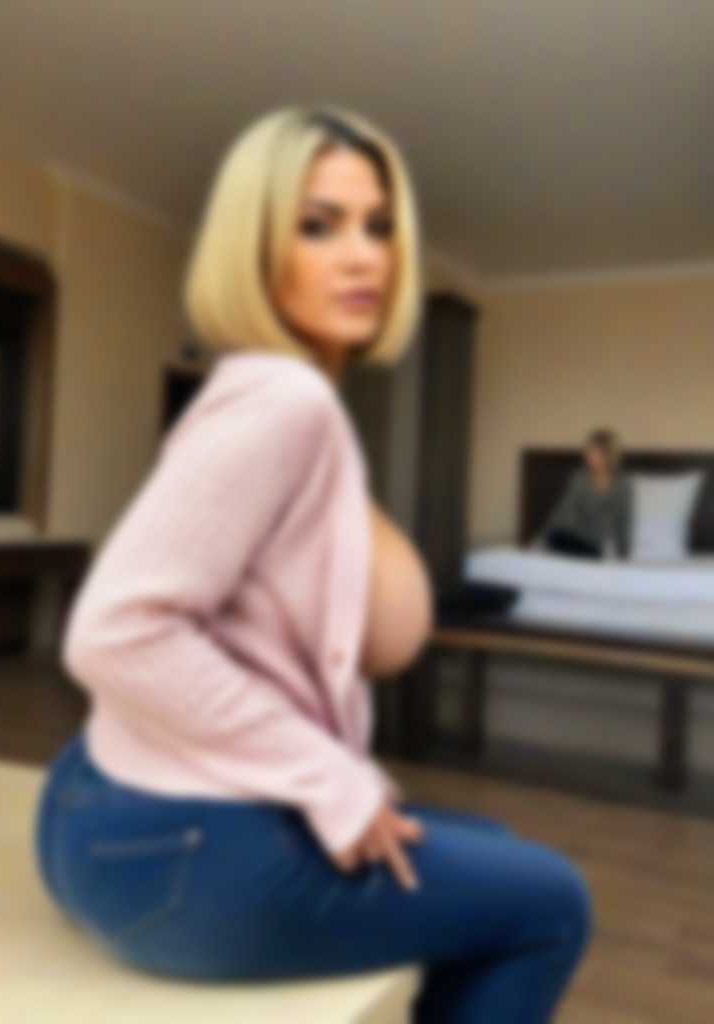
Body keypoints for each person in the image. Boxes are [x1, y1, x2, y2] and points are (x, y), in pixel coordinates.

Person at [33, 105, 592, 1021]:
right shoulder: (285, 400)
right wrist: (330, 779)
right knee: (553, 903)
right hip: (175, 859)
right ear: (255, 247)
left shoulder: (270, 394)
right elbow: (113, 632)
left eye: (379, 227)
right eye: (319, 227)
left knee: (487, 845)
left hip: (98, 811)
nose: (365, 257)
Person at [541, 429, 631, 559]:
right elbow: (562, 512)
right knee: (558, 537)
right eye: (588, 451)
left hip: (594, 543)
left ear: (608, 454)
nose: (588, 456)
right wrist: (542, 538)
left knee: (592, 551)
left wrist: (624, 552)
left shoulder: (621, 485)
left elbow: (623, 520)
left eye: (594, 452)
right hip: (568, 536)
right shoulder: (579, 478)